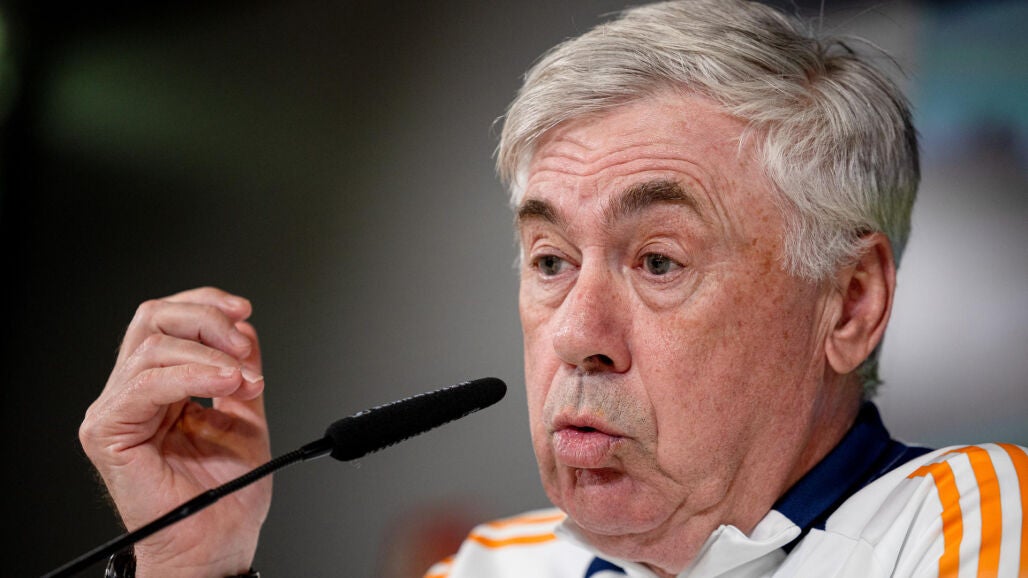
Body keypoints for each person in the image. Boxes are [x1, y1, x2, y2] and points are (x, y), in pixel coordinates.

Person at [77, 1, 1026, 577]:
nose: (577, 335)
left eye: (659, 261)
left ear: (849, 304)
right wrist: (195, 567)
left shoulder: (971, 517)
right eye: (549, 261)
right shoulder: (492, 565)